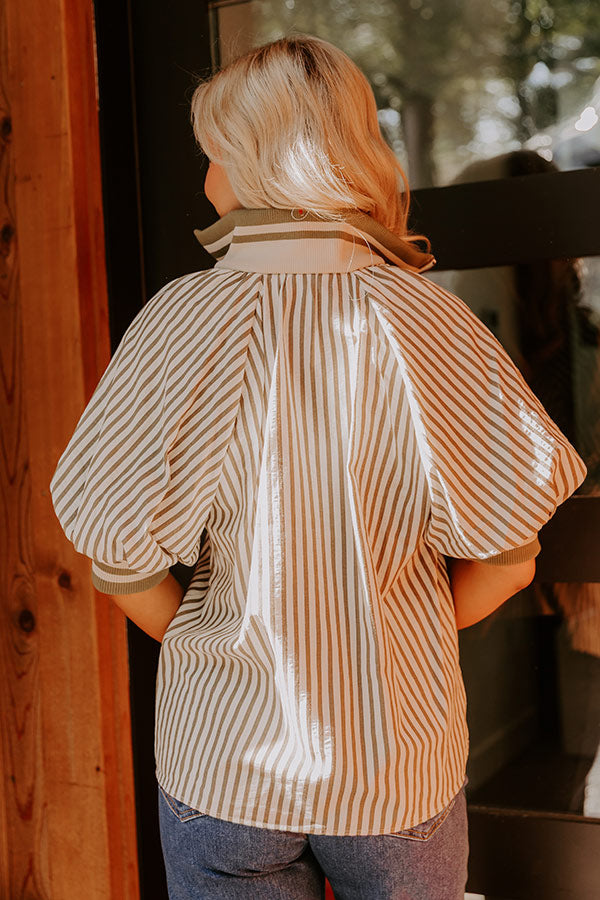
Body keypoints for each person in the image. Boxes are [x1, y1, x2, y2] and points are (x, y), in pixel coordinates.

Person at [49, 34, 587, 900]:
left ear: (253, 162)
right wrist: (400, 644)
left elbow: (119, 558)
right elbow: (511, 558)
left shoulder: (181, 318)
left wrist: (214, 653)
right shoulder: (430, 320)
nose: (205, 178)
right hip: (396, 767)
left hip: (224, 767)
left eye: (213, 154)